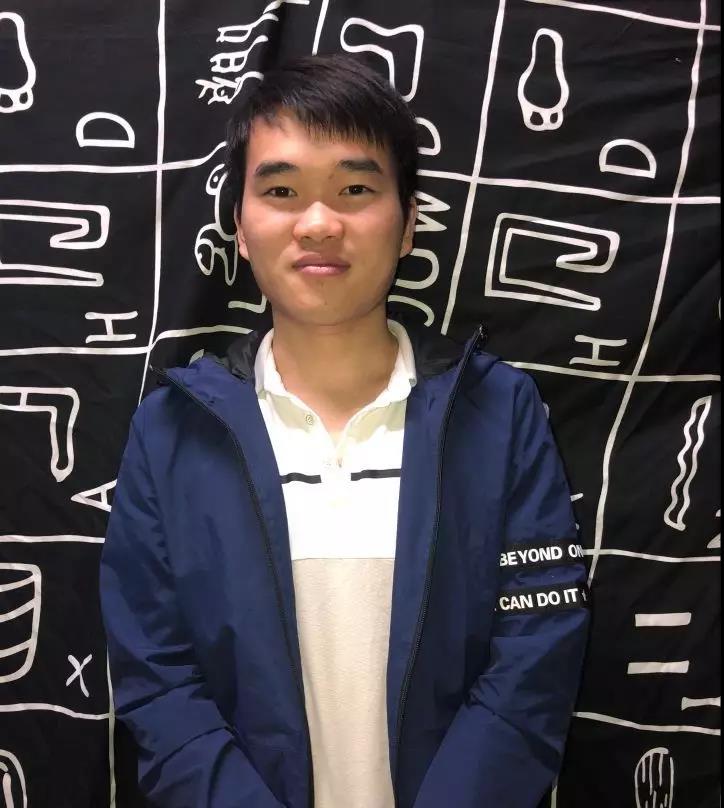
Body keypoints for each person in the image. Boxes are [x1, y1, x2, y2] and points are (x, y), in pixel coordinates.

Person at [100, 53, 590, 808]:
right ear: (241, 227)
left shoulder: (499, 411)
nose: (319, 223)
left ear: (408, 224)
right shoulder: (170, 431)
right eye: (282, 191)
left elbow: (535, 659)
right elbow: (158, 684)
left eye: (355, 189)